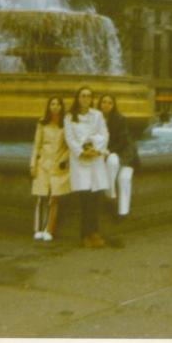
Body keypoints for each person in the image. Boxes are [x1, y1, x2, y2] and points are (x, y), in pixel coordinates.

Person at [64, 86, 109, 248]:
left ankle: (95, 232)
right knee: (84, 198)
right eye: (83, 96)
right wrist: (81, 151)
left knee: (95, 197)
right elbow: (69, 138)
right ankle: (85, 235)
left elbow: (104, 134)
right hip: (80, 160)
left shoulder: (97, 115)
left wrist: (95, 149)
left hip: (95, 158)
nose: (85, 99)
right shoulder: (69, 117)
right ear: (77, 98)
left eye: (89, 96)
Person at [30, 96, 71, 242]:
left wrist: (64, 160)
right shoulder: (42, 123)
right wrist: (33, 164)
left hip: (58, 164)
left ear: (61, 107)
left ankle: (49, 229)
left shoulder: (66, 124)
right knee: (41, 196)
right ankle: (38, 228)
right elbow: (36, 145)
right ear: (49, 107)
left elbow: (69, 146)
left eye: (58, 104)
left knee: (54, 198)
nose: (55, 107)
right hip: (43, 163)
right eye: (52, 104)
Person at [98, 94, 140, 221]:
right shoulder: (96, 119)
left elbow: (123, 141)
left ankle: (123, 212)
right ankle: (111, 196)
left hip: (127, 155)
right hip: (113, 154)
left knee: (124, 179)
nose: (106, 105)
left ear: (113, 105)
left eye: (109, 102)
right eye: (104, 102)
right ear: (99, 104)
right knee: (112, 161)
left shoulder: (119, 119)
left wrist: (108, 151)